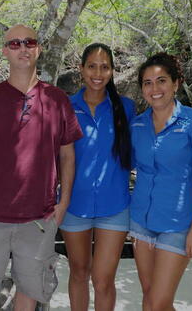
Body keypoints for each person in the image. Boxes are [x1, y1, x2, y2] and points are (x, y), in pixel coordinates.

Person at [0, 24, 83, 310]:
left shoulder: (57, 100)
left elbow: (67, 155)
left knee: (30, 293)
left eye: (29, 42)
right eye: (14, 44)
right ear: (5, 51)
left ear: (38, 48)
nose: (23, 48)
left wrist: (63, 203)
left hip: (38, 220)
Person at [130, 52, 192, 310]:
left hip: (179, 225)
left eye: (161, 80)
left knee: (158, 302)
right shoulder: (137, 126)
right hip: (141, 221)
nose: (154, 88)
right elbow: (122, 164)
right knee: (150, 296)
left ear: (176, 83)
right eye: (147, 82)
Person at [58, 43, 135, 311]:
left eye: (105, 67)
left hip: (114, 207)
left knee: (103, 280)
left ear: (113, 71)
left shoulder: (126, 108)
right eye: (92, 66)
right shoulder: (66, 106)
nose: (98, 73)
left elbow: (138, 153)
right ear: (81, 69)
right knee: (79, 273)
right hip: (74, 206)